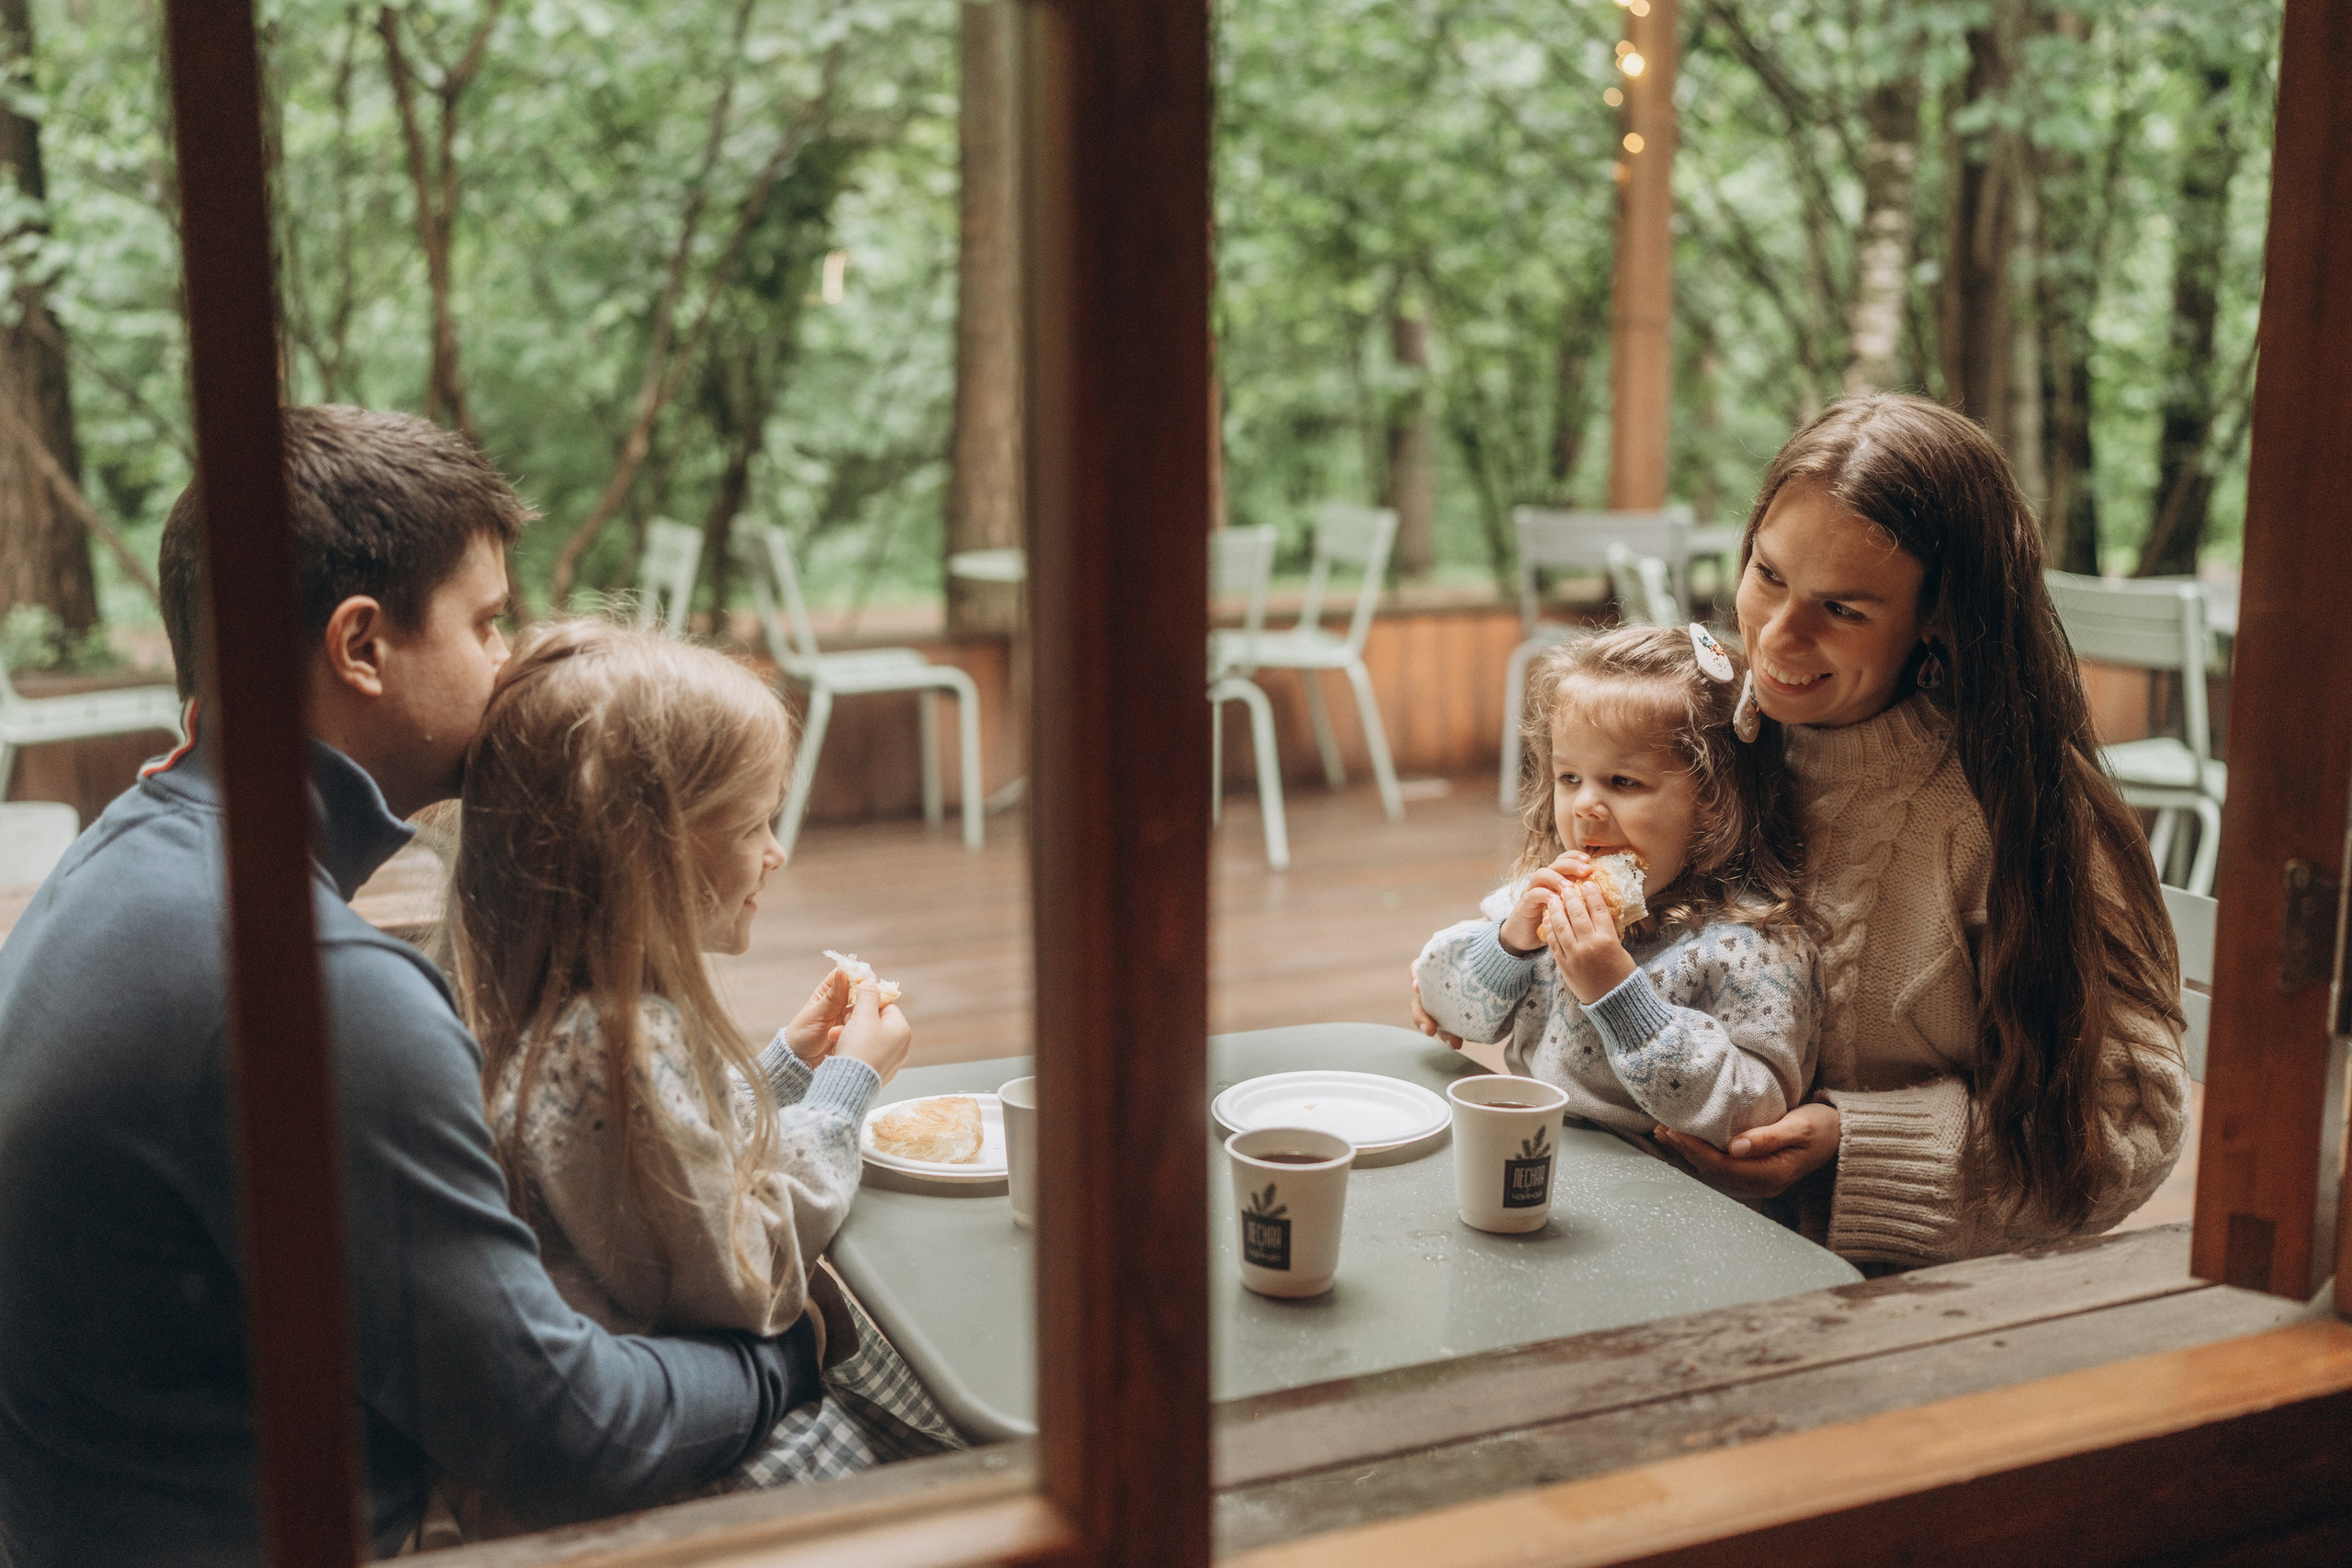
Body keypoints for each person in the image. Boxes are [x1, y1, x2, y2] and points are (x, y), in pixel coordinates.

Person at [0, 407, 822, 1565]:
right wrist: (783, 1355)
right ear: (361, 647)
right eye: (488, 623)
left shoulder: (123, 855)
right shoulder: (312, 986)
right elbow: (571, 1431)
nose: (508, 661)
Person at [1419, 394, 2186, 1269]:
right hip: (1634, 1229)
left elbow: (2135, 1125)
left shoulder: (2024, 817)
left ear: (1939, 619)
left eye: (1844, 610)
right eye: (1768, 575)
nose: (1777, 639)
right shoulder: (1702, 739)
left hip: (1890, 1297)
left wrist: (1853, 1147)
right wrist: (1495, 959)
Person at [441, 621, 953, 1532]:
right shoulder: (613, 1046)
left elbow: (671, 1178)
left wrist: (786, 1067)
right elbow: (742, 1269)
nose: (776, 851)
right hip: (705, 1480)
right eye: (756, 822)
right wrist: (844, 1092)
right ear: (656, 852)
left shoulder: (575, 1023)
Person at [1413, 626, 1820, 1150]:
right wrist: (1508, 944)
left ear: (1713, 800)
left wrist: (1617, 995)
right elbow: (1440, 1001)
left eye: (1623, 782)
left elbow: (1750, 1112)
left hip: (1672, 1200)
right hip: (1535, 1156)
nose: (1584, 806)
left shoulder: (1751, 947)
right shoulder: (1537, 904)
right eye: (1569, 778)